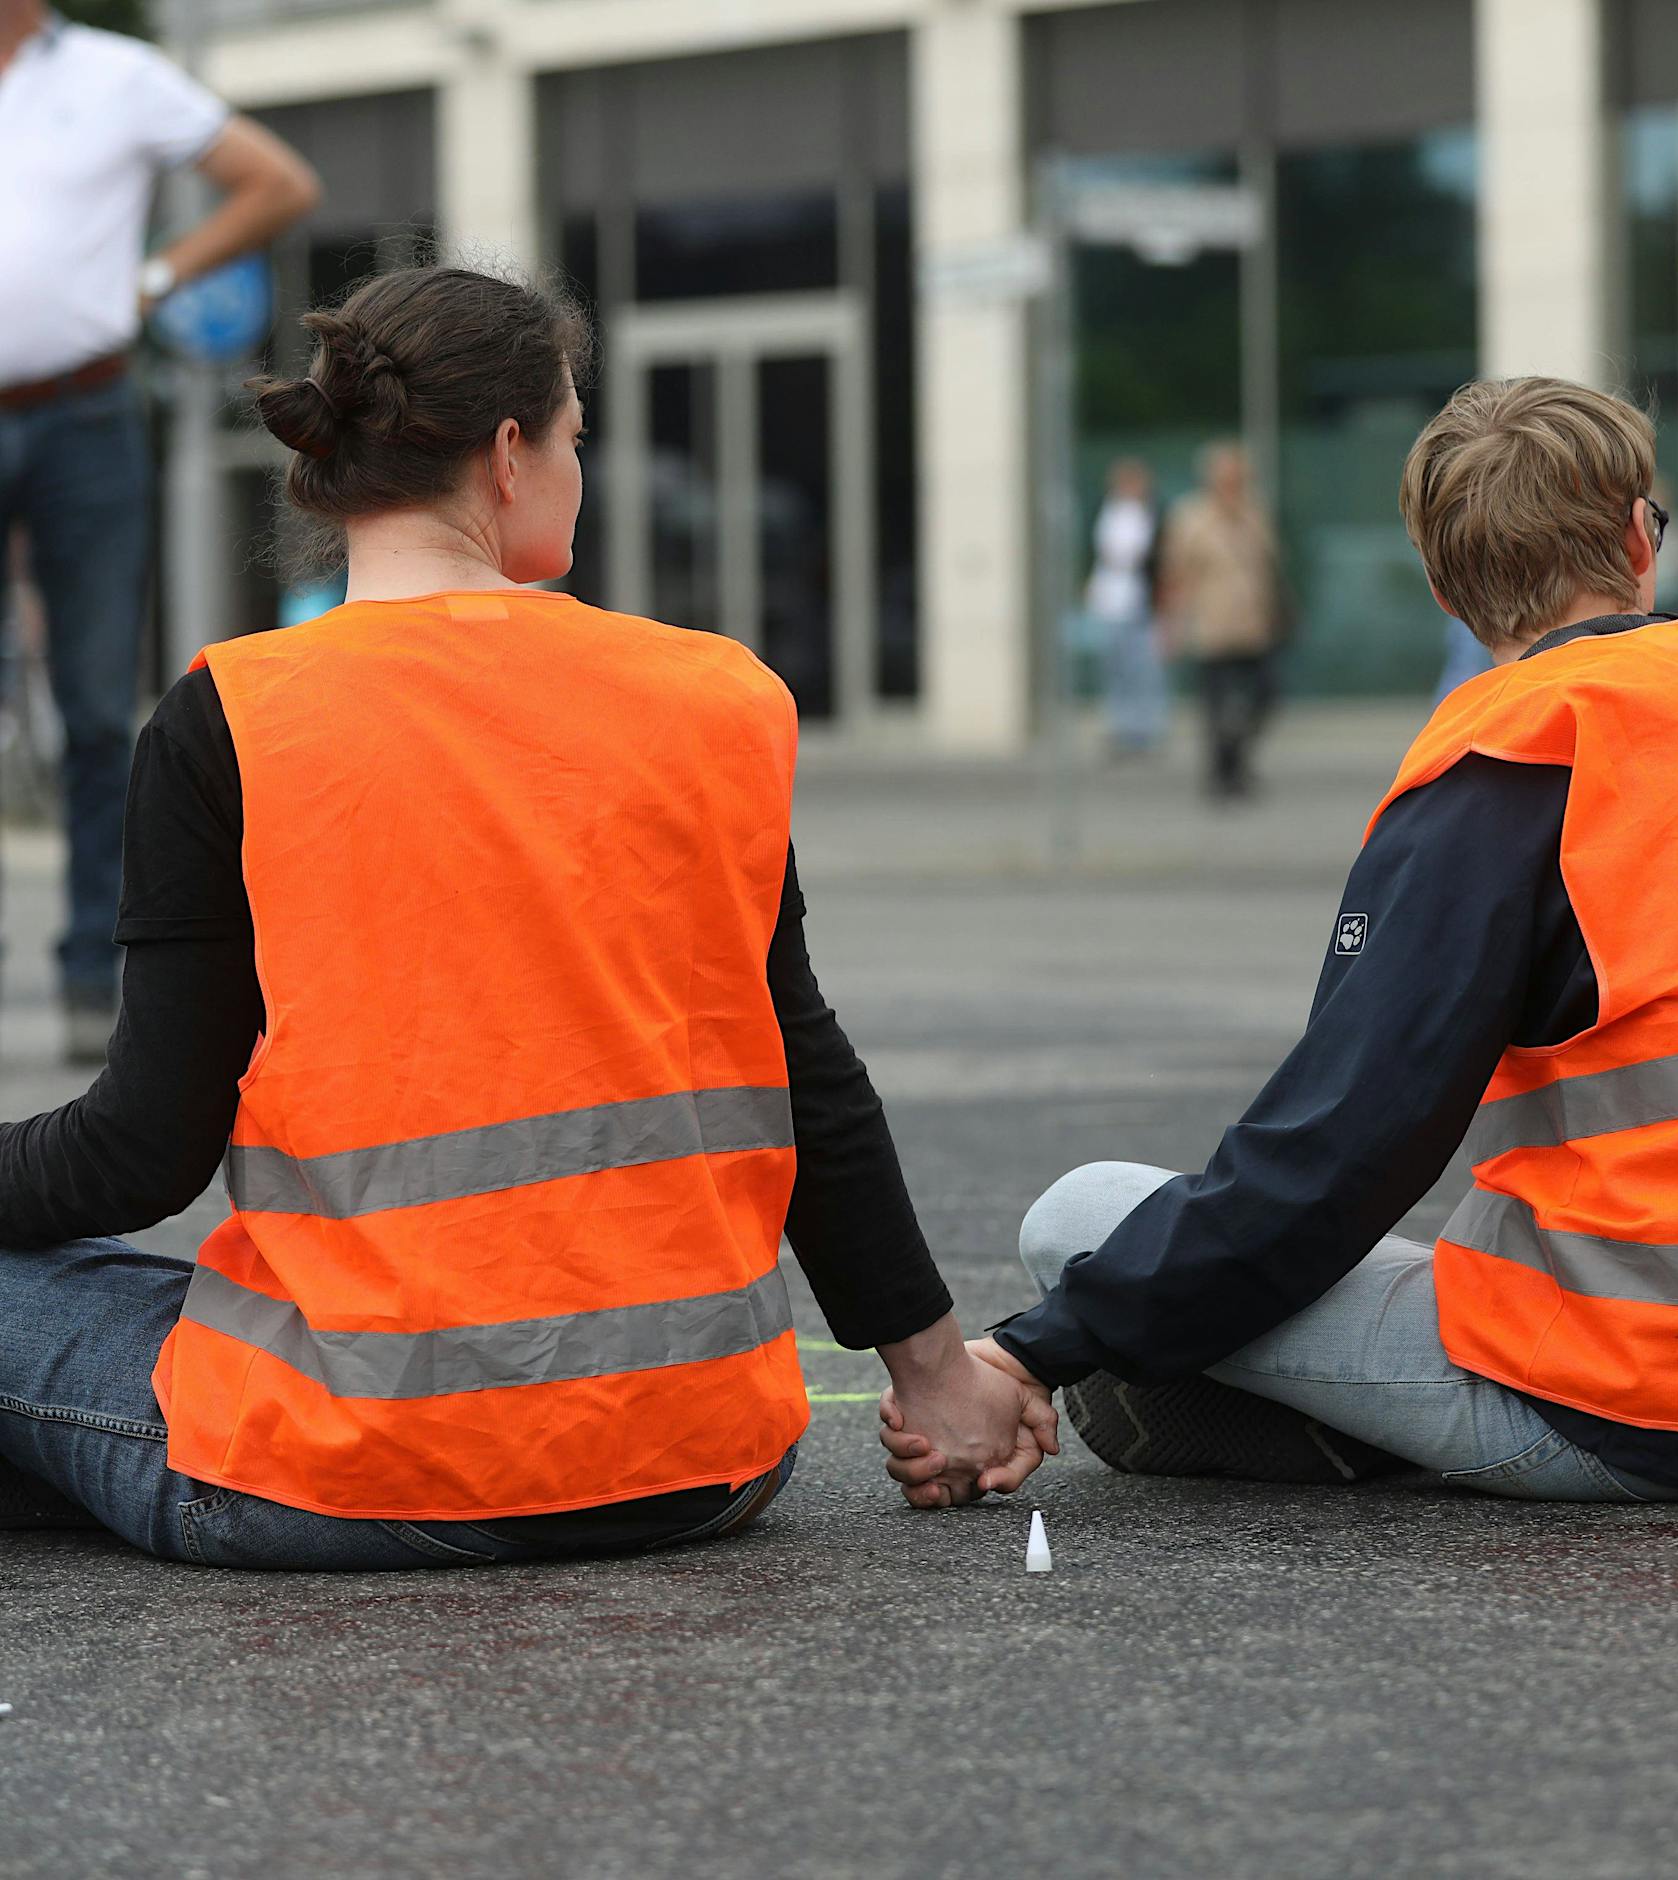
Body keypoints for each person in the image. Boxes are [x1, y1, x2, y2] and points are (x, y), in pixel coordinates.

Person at [0, 264, 1050, 1563]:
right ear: (510, 454)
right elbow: (802, 1066)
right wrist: (941, 1385)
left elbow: (139, 1153)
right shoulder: (715, 697)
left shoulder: (231, 721)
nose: (576, 471)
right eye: (576, 440)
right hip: (698, 1461)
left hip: (357, 1467)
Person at [885, 376, 1678, 1510]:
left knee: (1080, 1217)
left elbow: (1337, 1151)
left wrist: (1034, 1350)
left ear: (1444, 590)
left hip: (1649, 1407)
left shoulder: (1515, 761)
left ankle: (1317, 1425)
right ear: (1634, 539)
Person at [0, 0, 320, 1061]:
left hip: (84, 412)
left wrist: (151, 279)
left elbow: (279, 180)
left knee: (97, 705)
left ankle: (93, 974)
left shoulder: (117, 74)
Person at [1161, 443, 1284, 800]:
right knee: (1216, 707)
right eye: (1226, 478)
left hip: (1253, 626)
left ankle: (1236, 760)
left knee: (1265, 696)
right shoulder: (1191, 518)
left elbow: (1268, 567)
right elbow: (1176, 572)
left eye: (1238, 477)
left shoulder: (1254, 514)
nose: (1233, 484)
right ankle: (1222, 775)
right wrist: (1171, 623)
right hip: (1213, 627)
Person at [1085, 458, 1166, 755]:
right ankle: (1122, 725)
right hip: (1112, 602)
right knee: (1116, 668)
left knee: (1142, 668)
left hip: (1138, 601)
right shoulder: (1109, 512)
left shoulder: (1149, 514)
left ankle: (1145, 726)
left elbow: (1139, 556)